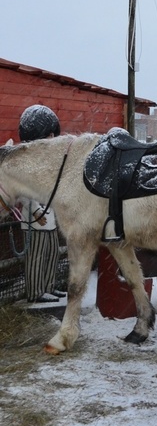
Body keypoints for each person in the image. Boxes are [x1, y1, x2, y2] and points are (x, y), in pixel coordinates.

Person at [18, 105, 64, 303]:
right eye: (50, 135)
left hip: (51, 218)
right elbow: (22, 192)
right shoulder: (24, 160)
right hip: (35, 220)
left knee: (52, 255)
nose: (53, 139)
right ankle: (35, 292)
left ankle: (48, 286)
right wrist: (36, 211)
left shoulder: (48, 160)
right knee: (36, 258)